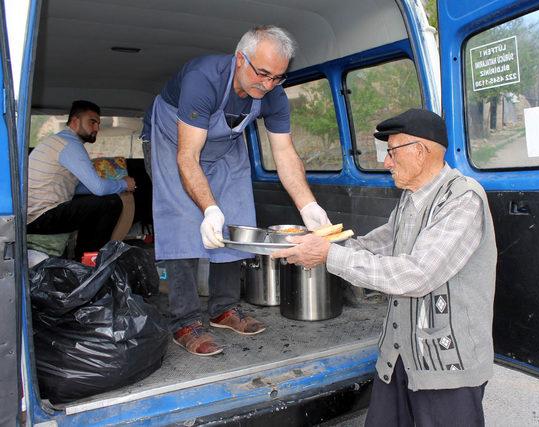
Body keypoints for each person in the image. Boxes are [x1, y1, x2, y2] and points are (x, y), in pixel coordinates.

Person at [272, 109, 497, 426]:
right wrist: (318, 246)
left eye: (391, 153)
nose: (386, 162)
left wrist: (328, 256)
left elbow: (416, 275)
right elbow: (379, 243)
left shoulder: (462, 199)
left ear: (419, 151)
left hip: (448, 366)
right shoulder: (411, 197)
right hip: (399, 353)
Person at [142, 25, 331, 357]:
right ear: (240, 59)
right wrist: (208, 210)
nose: (269, 84)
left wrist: (308, 206)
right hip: (176, 141)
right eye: (263, 73)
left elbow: (285, 154)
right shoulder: (203, 79)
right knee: (182, 222)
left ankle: (223, 308)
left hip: (225, 147)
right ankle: (185, 321)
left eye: (278, 77)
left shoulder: (272, 94)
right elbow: (187, 156)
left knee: (237, 220)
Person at [27, 100, 136, 258]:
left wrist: (114, 185)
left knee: (98, 199)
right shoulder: (70, 145)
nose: (96, 128)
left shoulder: (58, 141)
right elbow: (98, 188)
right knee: (109, 203)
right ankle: (88, 260)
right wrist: (124, 183)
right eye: (92, 122)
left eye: (98, 124)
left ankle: (85, 256)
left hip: (35, 215)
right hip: (40, 217)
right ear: (75, 121)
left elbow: (78, 188)